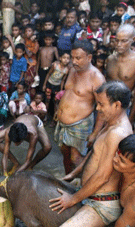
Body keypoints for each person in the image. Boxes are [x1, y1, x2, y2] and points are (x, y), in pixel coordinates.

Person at [49, 81, 133, 227]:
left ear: (117, 105)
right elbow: (94, 152)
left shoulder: (118, 133)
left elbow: (103, 176)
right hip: (91, 193)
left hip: (102, 204)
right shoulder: (111, 124)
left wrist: (73, 199)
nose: (97, 109)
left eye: (101, 104)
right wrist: (75, 172)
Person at [54, 40, 105, 175]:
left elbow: (102, 108)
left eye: (78, 58)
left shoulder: (97, 78)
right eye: (72, 57)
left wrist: (95, 133)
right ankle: (67, 180)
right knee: (65, 154)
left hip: (80, 124)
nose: (74, 61)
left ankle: (83, 188)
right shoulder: (72, 70)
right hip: (63, 123)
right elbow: (69, 93)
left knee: (76, 159)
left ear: (89, 58)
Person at [106, 24, 135, 123]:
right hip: (107, 105)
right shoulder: (110, 59)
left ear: (133, 39)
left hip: (125, 107)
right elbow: (106, 85)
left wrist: (131, 117)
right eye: (117, 40)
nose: (119, 44)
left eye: (124, 41)